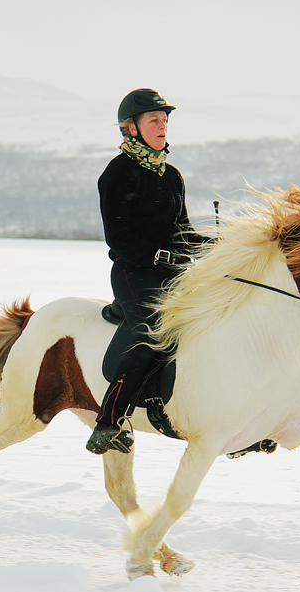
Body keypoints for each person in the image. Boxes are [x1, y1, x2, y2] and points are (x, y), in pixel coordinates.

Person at [86, 88, 211, 455]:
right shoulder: (118, 174)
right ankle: (108, 422)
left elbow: (183, 232)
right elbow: (119, 239)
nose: (163, 126)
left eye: (165, 120)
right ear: (131, 128)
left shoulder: (171, 176)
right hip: (133, 273)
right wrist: (158, 256)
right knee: (152, 334)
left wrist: (220, 246)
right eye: (154, 120)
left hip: (173, 274)